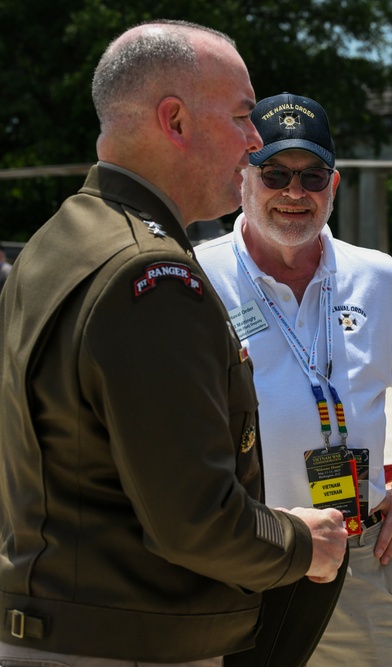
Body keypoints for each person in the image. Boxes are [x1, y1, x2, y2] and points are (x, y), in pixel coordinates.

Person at [0, 21, 348, 665]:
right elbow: (193, 518)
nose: (254, 143)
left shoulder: (56, 244)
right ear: (176, 120)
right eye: (245, 118)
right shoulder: (149, 273)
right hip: (130, 643)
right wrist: (304, 543)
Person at [196, 92, 392, 667]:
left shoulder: (378, 278)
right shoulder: (196, 276)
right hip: (238, 555)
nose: (295, 193)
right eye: (275, 174)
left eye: (311, 176)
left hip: (354, 559)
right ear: (242, 178)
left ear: (333, 186)